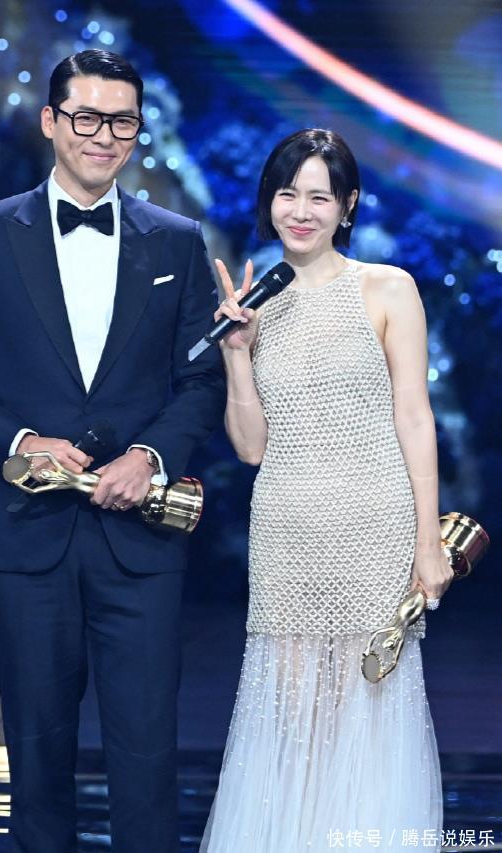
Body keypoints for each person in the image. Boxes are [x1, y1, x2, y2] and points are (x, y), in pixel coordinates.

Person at [0, 49, 224, 853]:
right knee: (37, 762)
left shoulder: (177, 242)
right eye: (86, 117)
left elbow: (201, 383)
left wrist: (149, 455)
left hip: (140, 541)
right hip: (25, 537)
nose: (103, 135)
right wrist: (22, 441)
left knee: (148, 760)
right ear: (51, 121)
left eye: (121, 121)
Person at [199, 128, 452, 852]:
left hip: (374, 524)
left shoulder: (387, 288)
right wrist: (237, 354)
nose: (301, 211)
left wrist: (427, 539)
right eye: (287, 194)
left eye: (319, 196)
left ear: (348, 205)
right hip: (287, 527)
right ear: (268, 202)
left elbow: (414, 416)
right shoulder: (257, 304)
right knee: (289, 713)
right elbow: (251, 447)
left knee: (364, 706)